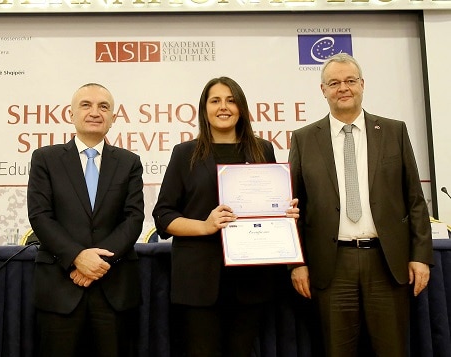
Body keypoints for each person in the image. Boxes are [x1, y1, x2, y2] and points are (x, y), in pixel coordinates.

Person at [288, 53, 432, 357]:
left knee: (392, 350)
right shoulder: (303, 139)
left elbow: (414, 200)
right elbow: (294, 207)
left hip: (386, 262)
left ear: (362, 84)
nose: (343, 88)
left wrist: (420, 256)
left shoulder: (394, 131)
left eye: (350, 81)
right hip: (330, 264)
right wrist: (297, 262)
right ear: (323, 90)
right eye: (334, 82)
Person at [152, 76, 299, 356]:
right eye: (215, 100)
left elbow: (272, 205)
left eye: (231, 100)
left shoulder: (262, 149)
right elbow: (163, 215)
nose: (224, 107)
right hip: (199, 282)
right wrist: (205, 226)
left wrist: (284, 213)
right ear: (204, 108)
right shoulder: (185, 154)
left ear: (241, 108)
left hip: (251, 280)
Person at [27, 83, 144, 357]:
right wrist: (77, 257)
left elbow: (133, 218)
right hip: (60, 287)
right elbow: (40, 215)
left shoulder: (129, 162)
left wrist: (97, 262)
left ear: (113, 118)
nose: (95, 112)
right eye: (86, 105)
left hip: (114, 290)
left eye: (104, 107)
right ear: (70, 114)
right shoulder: (45, 159)